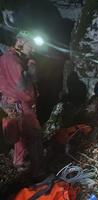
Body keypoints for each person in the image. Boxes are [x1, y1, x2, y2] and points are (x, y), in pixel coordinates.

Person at [0, 31, 44, 178]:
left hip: (14, 104)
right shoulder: (12, 61)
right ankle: (36, 172)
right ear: (20, 41)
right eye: (31, 44)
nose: (33, 49)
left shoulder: (12, 58)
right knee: (33, 135)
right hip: (20, 104)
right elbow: (23, 90)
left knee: (20, 137)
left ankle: (21, 165)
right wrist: (31, 68)